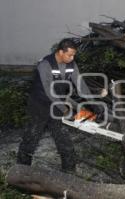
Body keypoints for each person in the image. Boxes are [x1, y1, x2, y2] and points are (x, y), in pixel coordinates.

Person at [17, 38, 94, 172]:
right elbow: (49, 90)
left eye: (74, 55)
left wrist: (94, 104)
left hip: (57, 105)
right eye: (70, 55)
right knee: (31, 138)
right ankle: (22, 172)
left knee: (64, 140)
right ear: (60, 52)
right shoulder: (45, 64)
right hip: (39, 106)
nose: (72, 57)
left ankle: (69, 172)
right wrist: (65, 109)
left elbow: (80, 84)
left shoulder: (71, 65)